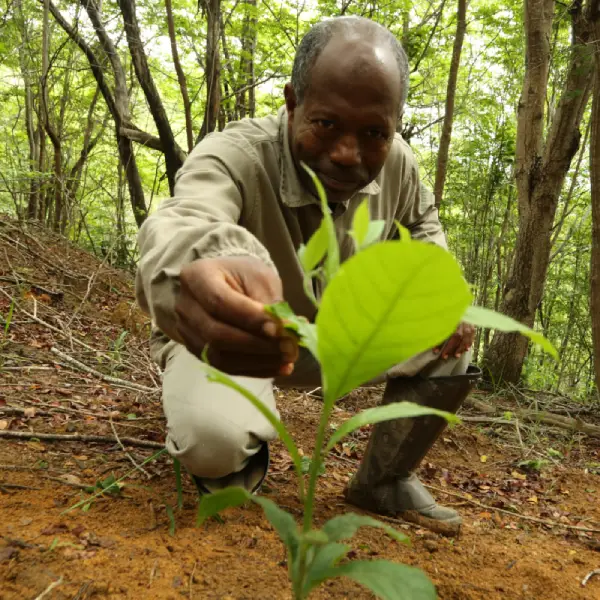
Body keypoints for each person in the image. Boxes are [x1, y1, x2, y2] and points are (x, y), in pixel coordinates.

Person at [135, 15, 481, 534]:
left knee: (450, 336)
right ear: (293, 101)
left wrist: (444, 293)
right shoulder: (236, 155)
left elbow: (423, 228)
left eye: (373, 133)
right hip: (241, 338)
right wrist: (205, 266)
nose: (348, 154)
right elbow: (186, 220)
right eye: (326, 124)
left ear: (395, 123)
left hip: (339, 339)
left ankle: (382, 480)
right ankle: (236, 459)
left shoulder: (399, 166)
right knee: (212, 440)